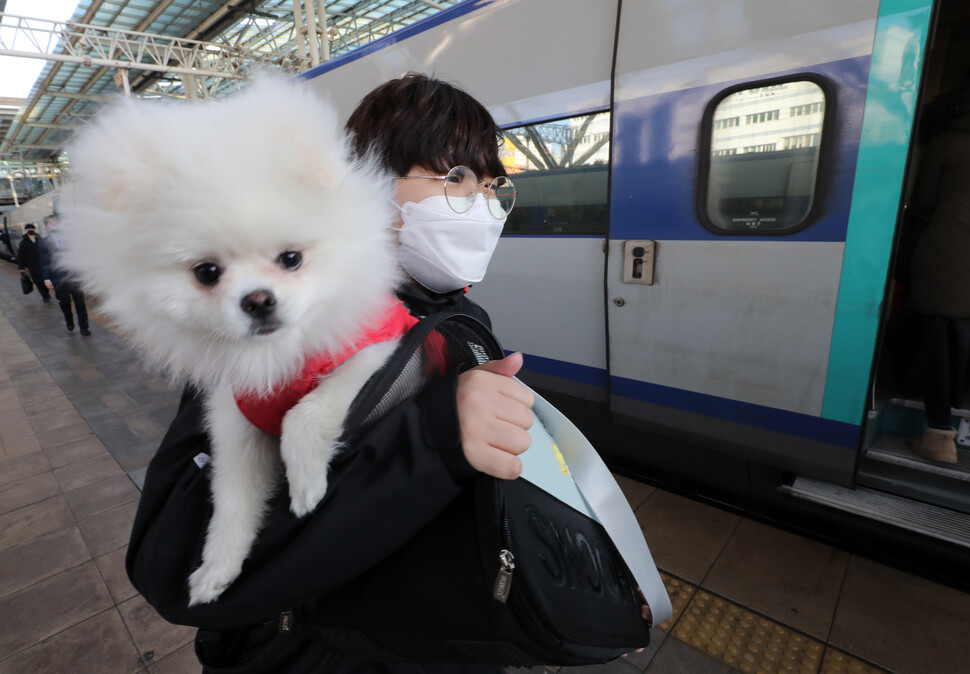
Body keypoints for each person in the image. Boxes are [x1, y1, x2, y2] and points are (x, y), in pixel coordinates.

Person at [126, 73, 533, 673]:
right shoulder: (272, 334)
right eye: (454, 177)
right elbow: (173, 563)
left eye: (491, 182)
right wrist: (432, 438)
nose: (482, 203)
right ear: (361, 183)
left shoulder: (461, 318)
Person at [905, 79, 970, 464]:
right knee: (961, 332)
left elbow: (922, 201)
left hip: (948, 248)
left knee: (937, 334)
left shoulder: (946, 143)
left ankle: (938, 435)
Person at [39, 214, 91, 336]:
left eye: (55, 223)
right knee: (65, 303)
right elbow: (44, 263)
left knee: (80, 303)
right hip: (58, 278)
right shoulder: (44, 243)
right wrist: (46, 278)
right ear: (46, 227)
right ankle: (69, 320)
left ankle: (84, 327)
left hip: (74, 276)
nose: (53, 225)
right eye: (50, 223)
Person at [17, 223, 52, 303]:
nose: (30, 230)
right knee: (38, 281)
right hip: (32, 265)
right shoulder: (23, 242)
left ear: (34, 230)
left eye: (32, 229)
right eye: (28, 229)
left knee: (45, 279)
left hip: (43, 263)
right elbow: (21, 256)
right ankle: (45, 296)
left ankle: (46, 292)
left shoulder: (40, 239)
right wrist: (21, 268)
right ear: (26, 230)